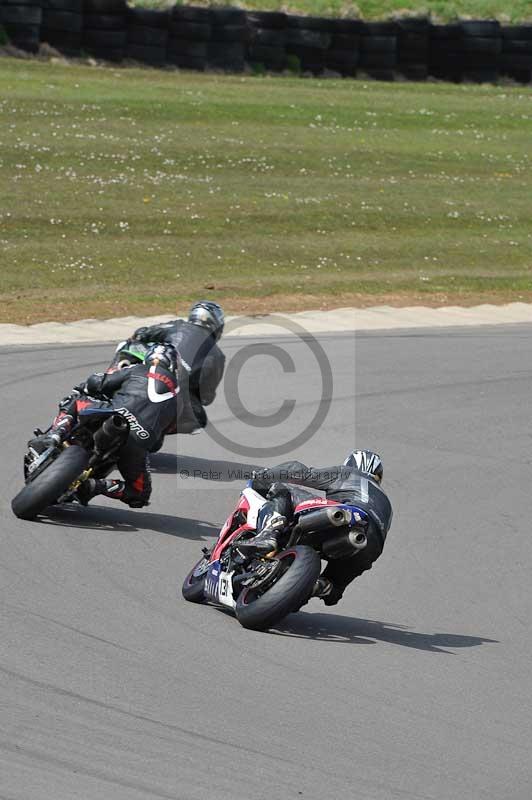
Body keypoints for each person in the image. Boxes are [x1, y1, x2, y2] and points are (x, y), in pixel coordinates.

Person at [28, 344, 183, 509]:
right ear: (174, 366)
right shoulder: (180, 400)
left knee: (76, 400)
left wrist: (86, 387)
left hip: (113, 412)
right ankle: (96, 486)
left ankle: (56, 434)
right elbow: (159, 441)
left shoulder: (138, 368)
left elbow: (98, 382)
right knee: (139, 494)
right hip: (138, 441)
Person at [237, 450, 393, 606]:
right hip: (371, 547)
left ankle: (268, 535)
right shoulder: (387, 504)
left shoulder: (348, 473)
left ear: (351, 464)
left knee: (281, 490)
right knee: (334, 588)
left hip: (346, 515)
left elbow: (298, 471)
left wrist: (264, 476)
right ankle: (319, 587)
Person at [131, 300, 225, 434]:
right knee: (199, 420)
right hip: (175, 390)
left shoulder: (178, 325)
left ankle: (109, 381)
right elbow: (206, 397)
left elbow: (142, 333)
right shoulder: (217, 355)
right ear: (217, 325)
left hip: (149, 370)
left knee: (130, 346)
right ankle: (158, 430)